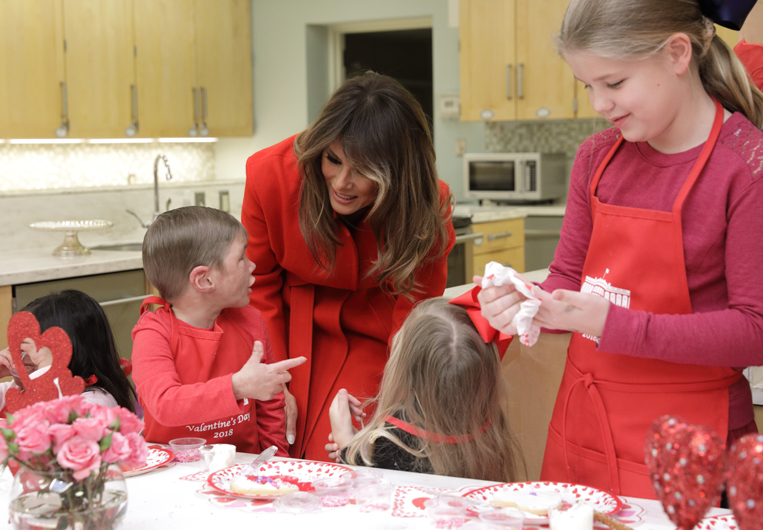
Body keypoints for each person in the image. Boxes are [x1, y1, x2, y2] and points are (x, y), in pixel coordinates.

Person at [477, 0, 763, 499]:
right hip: (583, 429)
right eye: (587, 86)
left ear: (677, 54)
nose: (599, 104)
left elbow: (755, 330)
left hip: (695, 446)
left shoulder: (745, 166)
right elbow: (568, 275)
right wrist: (526, 303)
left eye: (613, 83)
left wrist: (613, 325)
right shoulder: (597, 157)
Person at [242, 72, 456, 460]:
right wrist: (274, 382)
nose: (341, 182)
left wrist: (398, 399)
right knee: (281, 444)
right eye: (333, 160)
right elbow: (259, 289)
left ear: (397, 172)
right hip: (289, 332)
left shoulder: (428, 203)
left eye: (362, 170)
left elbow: (414, 312)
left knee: (365, 449)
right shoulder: (268, 175)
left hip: (381, 334)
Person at [132, 206, 306, 454]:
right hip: (172, 470)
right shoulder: (152, 332)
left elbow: (270, 405)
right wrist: (236, 387)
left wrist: (275, 460)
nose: (252, 265)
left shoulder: (251, 320)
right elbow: (164, 404)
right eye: (241, 258)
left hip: (241, 467)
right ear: (205, 280)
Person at [324, 298, 524, 481]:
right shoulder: (487, 427)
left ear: (404, 367)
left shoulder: (387, 444)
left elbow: (364, 501)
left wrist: (347, 445)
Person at [0, 290, 136, 415]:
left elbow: (49, 434)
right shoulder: (14, 391)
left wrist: (45, 370)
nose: (19, 357)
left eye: (27, 348)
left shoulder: (96, 401)